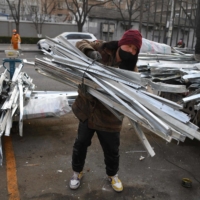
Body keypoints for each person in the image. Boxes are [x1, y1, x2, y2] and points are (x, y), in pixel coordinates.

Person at [69, 29, 142, 192]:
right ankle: (77, 172)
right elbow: (80, 43)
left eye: (134, 49)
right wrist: (89, 52)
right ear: (122, 42)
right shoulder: (103, 48)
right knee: (80, 144)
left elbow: (135, 92)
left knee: (112, 149)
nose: (131, 51)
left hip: (110, 116)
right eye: (129, 46)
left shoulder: (131, 69)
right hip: (88, 110)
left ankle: (112, 175)